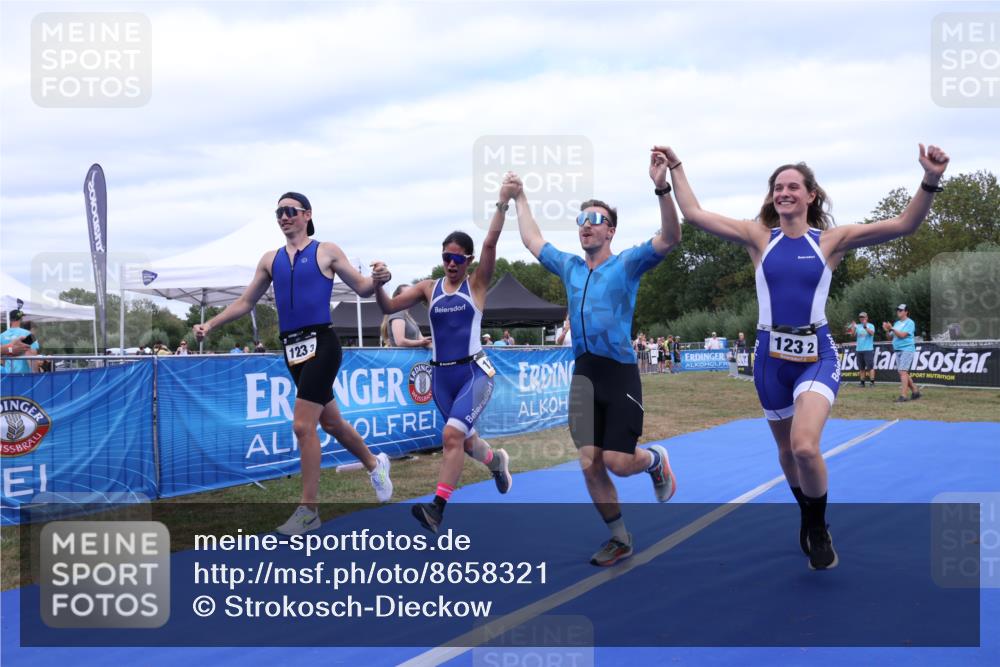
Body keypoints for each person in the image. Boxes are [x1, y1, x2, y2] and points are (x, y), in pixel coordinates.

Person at [662, 142, 949, 570]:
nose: (784, 193)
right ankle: (806, 513)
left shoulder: (831, 241)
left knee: (804, 447)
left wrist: (930, 178)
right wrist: (676, 169)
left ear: (811, 195)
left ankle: (817, 525)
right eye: (778, 187)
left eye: (793, 186)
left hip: (817, 354)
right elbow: (696, 215)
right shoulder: (758, 238)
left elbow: (906, 224)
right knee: (785, 451)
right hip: (769, 358)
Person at [509, 148, 682, 567]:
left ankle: (655, 461)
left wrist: (662, 186)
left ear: (611, 230)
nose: (586, 226)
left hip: (619, 372)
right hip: (584, 373)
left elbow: (671, 237)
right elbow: (533, 241)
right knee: (590, 463)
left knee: (619, 463)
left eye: (595, 219)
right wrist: (520, 199)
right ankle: (619, 538)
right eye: (581, 220)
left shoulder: (626, 264)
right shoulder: (569, 267)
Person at [193, 191, 394, 535]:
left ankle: (309, 510)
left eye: (290, 211)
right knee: (331, 423)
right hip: (292, 348)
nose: (284, 217)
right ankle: (375, 464)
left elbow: (362, 288)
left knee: (303, 427)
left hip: (323, 343)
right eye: (279, 212)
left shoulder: (326, 251)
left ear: (306, 215)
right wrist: (210, 324)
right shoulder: (270, 260)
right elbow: (245, 301)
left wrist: (378, 280)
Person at [374, 178, 519, 533]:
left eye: (457, 258)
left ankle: (437, 509)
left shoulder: (477, 284)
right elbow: (390, 306)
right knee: (466, 443)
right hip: (441, 378)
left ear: (467, 260)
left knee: (451, 437)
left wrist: (502, 200)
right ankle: (496, 462)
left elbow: (490, 241)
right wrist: (378, 283)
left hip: (474, 374)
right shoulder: (428, 288)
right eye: (445, 257)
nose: (450, 263)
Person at [884, 304, 919, 402]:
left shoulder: (910, 322)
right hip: (898, 350)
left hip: (907, 349)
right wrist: (887, 330)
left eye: (900, 310)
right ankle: (915, 392)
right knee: (903, 372)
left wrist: (892, 328)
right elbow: (889, 337)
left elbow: (902, 335)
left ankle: (903, 396)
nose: (898, 312)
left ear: (906, 312)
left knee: (903, 372)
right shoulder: (896, 323)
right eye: (897, 310)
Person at [847, 313, 876, 387]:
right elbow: (852, 335)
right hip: (859, 349)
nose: (861, 318)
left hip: (868, 349)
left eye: (863, 317)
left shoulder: (871, 325)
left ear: (867, 317)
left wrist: (865, 327)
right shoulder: (858, 326)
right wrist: (853, 327)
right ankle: (862, 382)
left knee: (870, 367)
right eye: (860, 317)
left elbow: (872, 333)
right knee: (861, 367)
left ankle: (872, 382)